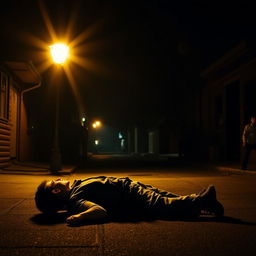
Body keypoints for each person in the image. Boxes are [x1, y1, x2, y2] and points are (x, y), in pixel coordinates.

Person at [35, 176, 224, 225]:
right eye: (55, 181)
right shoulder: (76, 200)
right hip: (132, 194)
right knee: (161, 204)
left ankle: (200, 202)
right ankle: (202, 201)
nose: (59, 178)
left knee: (164, 199)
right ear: (56, 190)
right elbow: (100, 211)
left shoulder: (75, 188)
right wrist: (80, 217)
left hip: (130, 187)